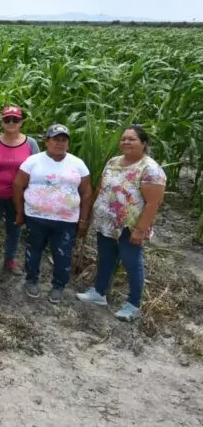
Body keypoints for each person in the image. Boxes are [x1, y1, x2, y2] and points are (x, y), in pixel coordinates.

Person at [77, 126, 166, 321]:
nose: (126, 142)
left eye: (132, 139)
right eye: (123, 139)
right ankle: (99, 293)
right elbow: (101, 187)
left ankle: (133, 305)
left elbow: (154, 203)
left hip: (129, 226)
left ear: (144, 143)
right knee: (106, 257)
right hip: (106, 222)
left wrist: (140, 229)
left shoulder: (150, 169)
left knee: (131, 263)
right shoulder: (113, 162)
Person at [13, 124, 93, 303]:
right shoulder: (33, 161)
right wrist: (20, 212)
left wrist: (84, 220)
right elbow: (18, 185)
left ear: (68, 143)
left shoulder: (77, 163)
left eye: (63, 140)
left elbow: (87, 192)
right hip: (36, 217)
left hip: (66, 220)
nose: (59, 143)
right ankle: (31, 280)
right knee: (33, 251)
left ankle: (58, 286)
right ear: (47, 141)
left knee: (63, 254)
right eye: (55, 139)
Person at [0, 106, 39, 276]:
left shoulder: (30, 144)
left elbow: (36, 169)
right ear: (2, 122)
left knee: (15, 230)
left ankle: (10, 260)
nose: (11, 123)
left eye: (15, 119)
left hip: (18, 197)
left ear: (21, 122)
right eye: (7, 119)